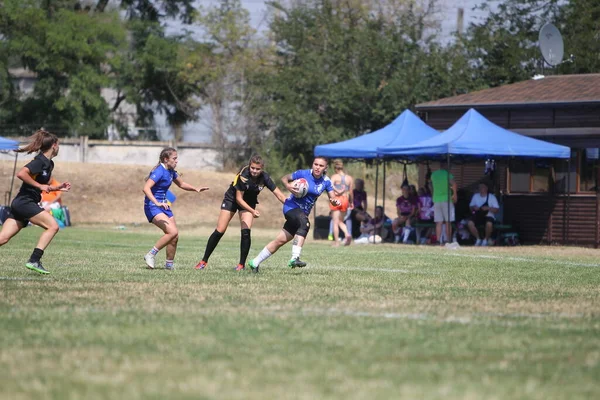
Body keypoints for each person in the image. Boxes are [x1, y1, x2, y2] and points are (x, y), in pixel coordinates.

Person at [247, 156, 340, 273]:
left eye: (321, 166)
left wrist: (335, 201)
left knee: (279, 241)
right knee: (305, 224)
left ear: (325, 168)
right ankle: (295, 258)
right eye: (315, 164)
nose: (317, 167)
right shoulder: (303, 173)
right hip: (291, 207)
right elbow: (284, 178)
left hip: (302, 213)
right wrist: (288, 186)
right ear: (312, 164)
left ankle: (254, 262)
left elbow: (332, 197)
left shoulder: (326, 181)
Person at [195, 155, 287, 271]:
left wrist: (290, 205)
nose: (254, 171)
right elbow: (239, 199)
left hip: (249, 202)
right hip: (232, 199)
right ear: (249, 166)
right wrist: (253, 211)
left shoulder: (265, 178)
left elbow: (278, 194)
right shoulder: (244, 175)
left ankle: (241, 265)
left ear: (262, 169)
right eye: (252, 168)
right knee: (220, 230)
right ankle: (203, 261)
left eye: (257, 169)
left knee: (246, 232)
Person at [0, 129, 71, 274]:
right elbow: (22, 173)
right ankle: (34, 260)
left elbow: (40, 184)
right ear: (54, 145)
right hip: (25, 203)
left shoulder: (49, 164)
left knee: (3, 238)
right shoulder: (40, 161)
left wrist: (56, 187)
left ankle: (34, 260)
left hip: (23, 202)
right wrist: (40, 186)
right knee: (53, 226)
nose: (59, 148)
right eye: (59, 145)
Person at [143, 147, 209, 270]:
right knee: (172, 232)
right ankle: (150, 254)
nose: (177, 161)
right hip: (153, 206)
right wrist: (157, 203)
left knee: (174, 237)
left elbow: (182, 184)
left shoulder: (171, 172)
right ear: (166, 159)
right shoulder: (159, 171)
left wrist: (196, 188)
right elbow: (146, 188)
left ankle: (169, 265)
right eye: (174, 158)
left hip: (164, 206)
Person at [328, 159, 353, 247]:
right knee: (340, 221)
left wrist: (337, 190)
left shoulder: (334, 176)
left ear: (335, 168)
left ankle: (337, 243)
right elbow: (351, 191)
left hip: (336, 199)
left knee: (335, 221)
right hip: (345, 199)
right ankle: (347, 234)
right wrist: (351, 202)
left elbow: (329, 185)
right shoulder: (349, 178)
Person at [467, 182, 499, 246]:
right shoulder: (475, 196)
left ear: (486, 188)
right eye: (479, 187)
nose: (481, 188)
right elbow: (470, 207)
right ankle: (478, 239)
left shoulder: (492, 197)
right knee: (470, 223)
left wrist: (488, 208)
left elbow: (497, 210)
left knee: (489, 224)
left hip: (489, 215)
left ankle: (485, 240)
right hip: (478, 215)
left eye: (482, 187)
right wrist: (474, 207)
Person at [431, 168, 457, 245]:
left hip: (436, 200)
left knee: (439, 222)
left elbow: (432, 186)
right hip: (447, 199)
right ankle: (448, 240)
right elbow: (454, 184)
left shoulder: (433, 175)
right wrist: (455, 194)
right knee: (448, 222)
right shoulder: (447, 174)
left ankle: (438, 240)